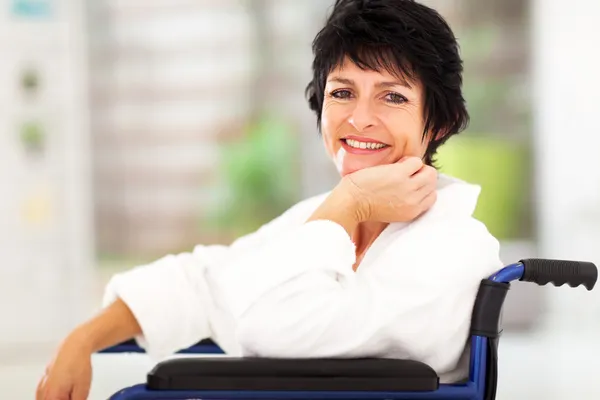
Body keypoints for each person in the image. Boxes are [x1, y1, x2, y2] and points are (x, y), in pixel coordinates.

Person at [37, 1, 503, 399]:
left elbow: (279, 333)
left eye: (393, 97)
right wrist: (81, 341)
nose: (360, 119)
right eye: (342, 93)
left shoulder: (455, 247)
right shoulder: (315, 220)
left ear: (438, 122)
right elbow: (205, 282)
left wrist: (349, 204)